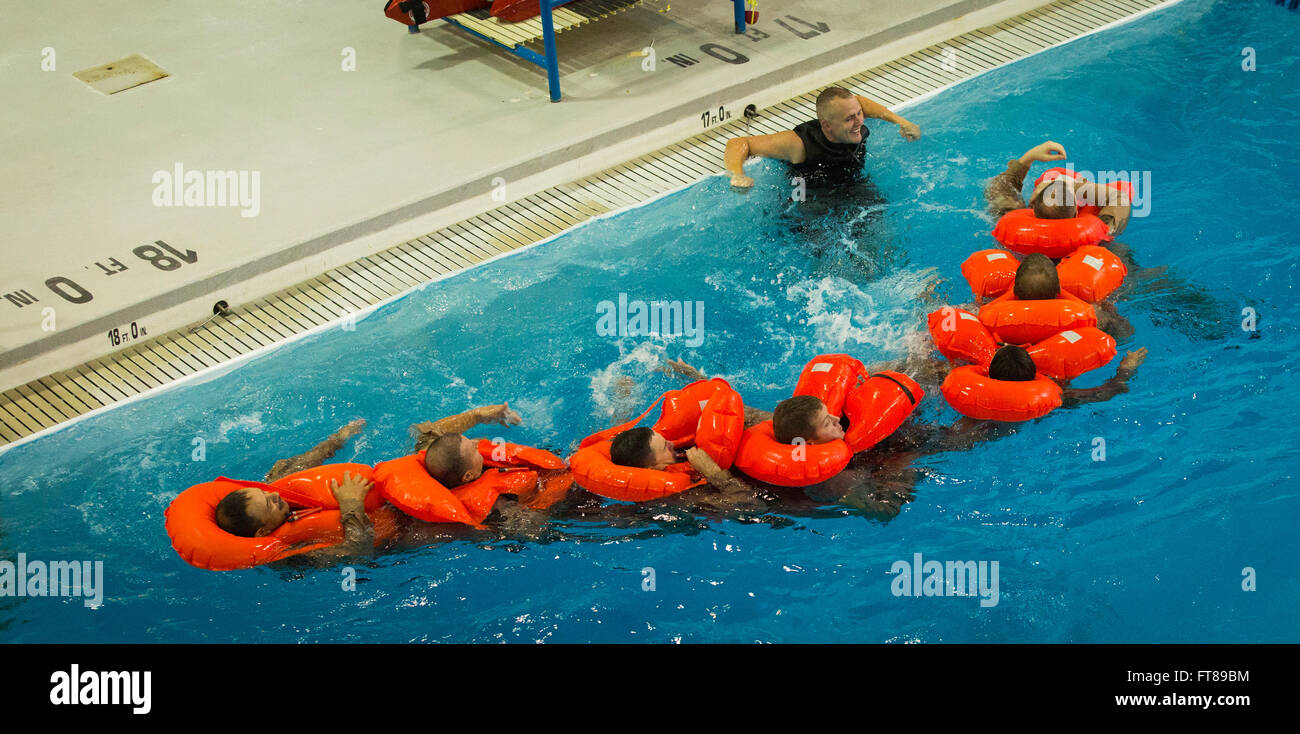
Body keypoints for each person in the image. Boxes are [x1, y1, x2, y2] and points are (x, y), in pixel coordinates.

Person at [724, 86, 921, 189]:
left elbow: (860, 103)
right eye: (850, 119)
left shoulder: (854, 117)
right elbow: (740, 143)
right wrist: (737, 174)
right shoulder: (798, 144)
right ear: (827, 125)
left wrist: (902, 122)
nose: (859, 122)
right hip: (807, 193)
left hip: (851, 184)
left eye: (859, 114)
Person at [984, 140, 1131, 236]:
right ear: (1075, 215)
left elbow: (999, 187)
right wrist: (1071, 186)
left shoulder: (1011, 228)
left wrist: (1028, 158)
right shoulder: (1099, 236)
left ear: (1033, 206)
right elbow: (1120, 198)